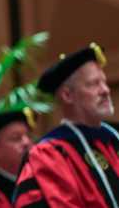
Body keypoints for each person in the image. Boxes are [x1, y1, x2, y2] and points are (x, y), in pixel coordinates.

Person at [13, 44, 119, 207]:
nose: (105, 90)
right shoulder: (47, 155)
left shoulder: (114, 139)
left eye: (104, 82)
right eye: (93, 84)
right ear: (68, 95)